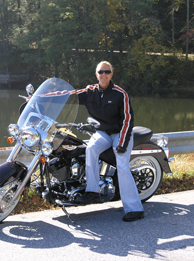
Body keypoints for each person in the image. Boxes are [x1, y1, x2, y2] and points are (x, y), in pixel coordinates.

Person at [76, 61, 144, 222]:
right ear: (96, 74)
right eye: (101, 72)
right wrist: (36, 98)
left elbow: (128, 121)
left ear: (111, 74)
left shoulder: (120, 94)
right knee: (90, 148)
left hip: (121, 132)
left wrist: (122, 144)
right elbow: (66, 95)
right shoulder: (89, 91)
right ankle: (93, 192)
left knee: (121, 165)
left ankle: (135, 208)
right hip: (103, 132)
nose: (103, 74)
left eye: (107, 72)